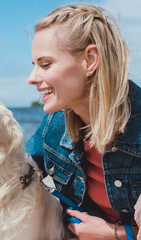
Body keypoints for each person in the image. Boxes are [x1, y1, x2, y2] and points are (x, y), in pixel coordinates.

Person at [25, 4, 141, 240]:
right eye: (34, 65)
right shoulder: (54, 126)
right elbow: (19, 171)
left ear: (90, 60)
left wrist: (118, 233)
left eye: (45, 64)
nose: (32, 78)